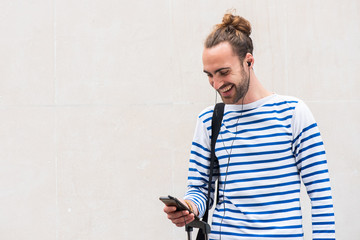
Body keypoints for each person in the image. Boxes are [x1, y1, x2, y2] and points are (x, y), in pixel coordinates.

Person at [163, 12, 336, 240]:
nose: (216, 84)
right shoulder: (208, 120)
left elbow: (321, 195)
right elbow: (199, 191)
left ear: (249, 61)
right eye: (210, 75)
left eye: (224, 72)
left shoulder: (293, 113)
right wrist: (188, 209)